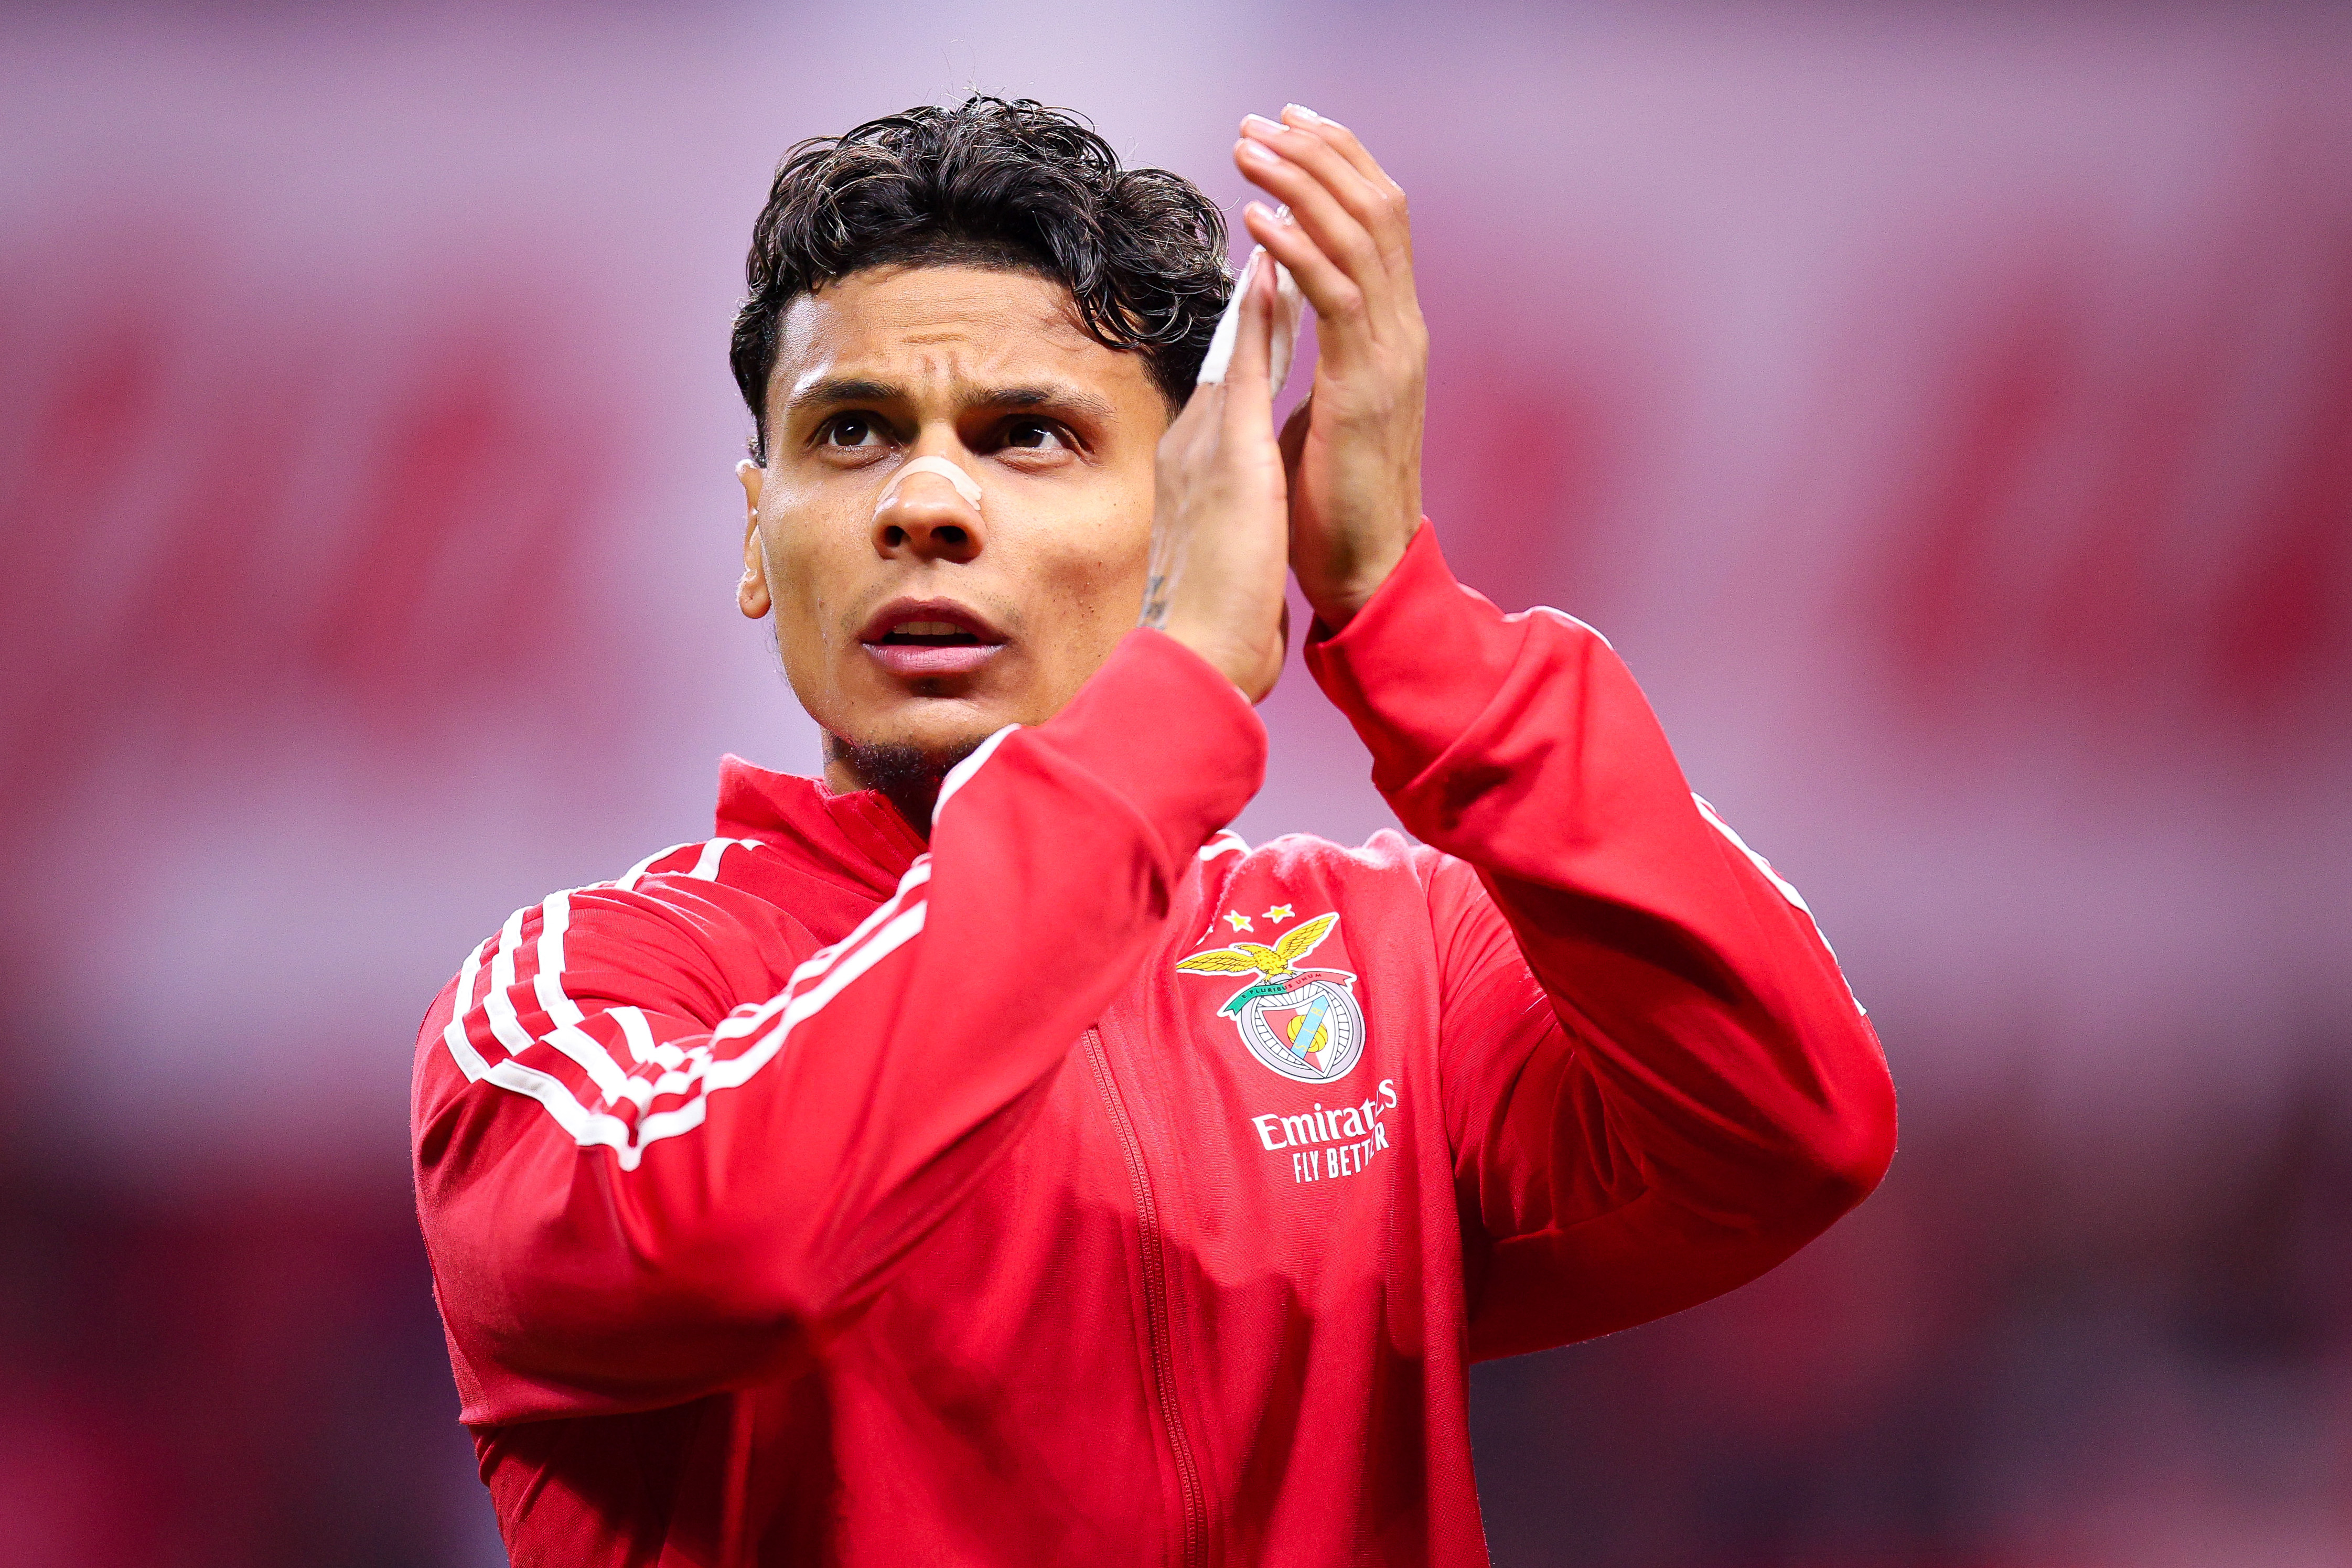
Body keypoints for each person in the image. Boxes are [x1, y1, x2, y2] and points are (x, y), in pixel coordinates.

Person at [411, 95, 1896, 1567]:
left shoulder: (1392, 974)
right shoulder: (585, 1005)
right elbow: (739, 1249)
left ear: (1189, 516)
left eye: (1029, 437)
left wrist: (1406, 625)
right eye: (853, 432)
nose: (925, 501)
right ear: (757, 532)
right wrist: (1175, 700)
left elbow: (1790, 1128)